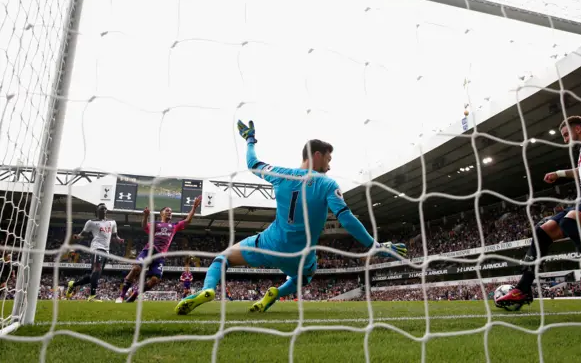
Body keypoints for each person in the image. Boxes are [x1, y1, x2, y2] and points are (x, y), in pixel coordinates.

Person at [175, 120, 407, 315]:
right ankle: (275, 293)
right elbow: (346, 219)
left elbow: (252, 163)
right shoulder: (328, 184)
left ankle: (208, 290)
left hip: (271, 243)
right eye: (328, 158)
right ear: (316, 155)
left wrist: (250, 140)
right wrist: (374, 245)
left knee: (222, 259)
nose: (330, 163)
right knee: (305, 277)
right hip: (301, 254)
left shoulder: (281, 175)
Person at [497, 116, 581, 308]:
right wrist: (559, 174)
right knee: (542, 231)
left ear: (578, 128)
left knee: (570, 221)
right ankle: (523, 289)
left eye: (565, 134)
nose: (564, 140)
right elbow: (580, 171)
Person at [116, 195, 201, 303]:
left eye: (171, 211)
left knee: (155, 280)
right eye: (167, 211)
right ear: (161, 213)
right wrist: (146, 216)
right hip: (149, 250)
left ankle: (135, 294)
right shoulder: (156, 224)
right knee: (136, 269)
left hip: (160, 256)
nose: (170, 212)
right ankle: (121, 296)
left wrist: (194, 207)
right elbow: (144, 226)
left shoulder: (174, 226)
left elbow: (187, 220)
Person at [66, 203, 123, 301]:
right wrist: (77, 236)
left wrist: (119, 239)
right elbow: (83, 234)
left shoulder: (112, 222)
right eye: (101, 209)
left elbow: (114, 235)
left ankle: (73, 284)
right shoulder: (91, 222)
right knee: (97, 269)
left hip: (106, 250)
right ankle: (92, 296)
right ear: (97, 211)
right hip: (97, 248)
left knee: (95, 275)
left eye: (105, 209)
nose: (104, 210)